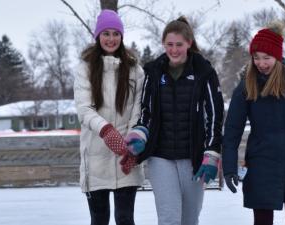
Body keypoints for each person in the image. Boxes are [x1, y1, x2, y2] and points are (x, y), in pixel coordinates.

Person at [124, 16, 224, 225]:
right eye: (169, 44)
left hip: (193, 159)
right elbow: (146, 112)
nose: (174, 50)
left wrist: (212, 153)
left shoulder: (204, 72)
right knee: (169, 218)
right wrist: (139, 134)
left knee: (189, 219)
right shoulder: (153, 72)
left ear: (189, 43)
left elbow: (214, 115)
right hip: (161, 158)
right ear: (163, 44)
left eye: (179, 44)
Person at [222, 21, 285, 225]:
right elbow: (232, 131)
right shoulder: (246, 87)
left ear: (277, 57)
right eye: (256, 58)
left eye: (266, 58)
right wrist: (229, 167)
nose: (261, 63)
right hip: (261, 165)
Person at [73, 9, 145, 225]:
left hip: (126, 156)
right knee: (99, 219)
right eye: (106, 33)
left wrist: (132, 142)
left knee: (125, 218)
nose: (111, 38)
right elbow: (84, 109)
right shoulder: (85, 69)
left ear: (122, 36)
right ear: (98, 36)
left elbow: (138, 109)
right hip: (95, 157)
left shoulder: (135, 70)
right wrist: (106, 130)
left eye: (116, 33)